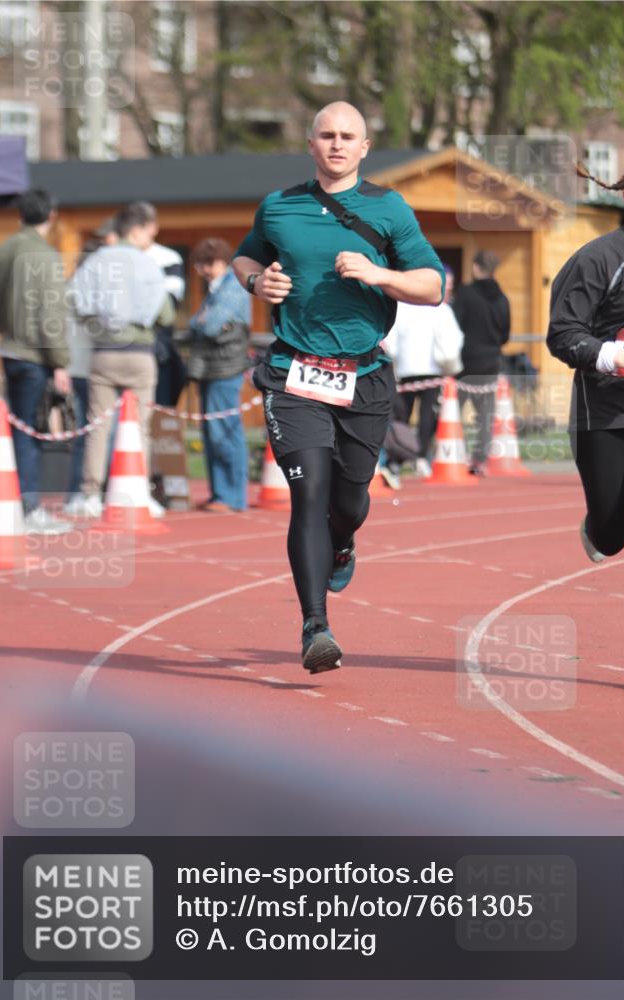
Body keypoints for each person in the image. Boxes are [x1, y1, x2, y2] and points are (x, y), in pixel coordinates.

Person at [232, 101, 444, 673]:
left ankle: (344, 542)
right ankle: (315, 627)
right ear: (311, 142)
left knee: (347, 502)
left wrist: (379, 274)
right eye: (327, 134)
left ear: (365, 147)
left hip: (364, 377)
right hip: (293, 374)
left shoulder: (388, 209)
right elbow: (245, 255)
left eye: (348, 136)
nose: (336, 144)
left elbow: (432, 286)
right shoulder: (280, 206)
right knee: (308, 493)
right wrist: (258, 280)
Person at [548, 148, 624, 692]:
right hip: (607, 411)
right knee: (614, 532)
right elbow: (562, 333)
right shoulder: (599, 258)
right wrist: (615, 356)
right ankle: (599, 526)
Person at [71, 203, 174, 517]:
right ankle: (139, 492)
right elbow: (166, 313)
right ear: (135, 230)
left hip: (104, 352)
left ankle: (90, 494)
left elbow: (76, 303)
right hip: (140, 354)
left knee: (98, 425)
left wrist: (99, 327)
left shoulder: (95, 262)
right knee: (139, 427)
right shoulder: (149, 264)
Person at [0, 188, 72, 534]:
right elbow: (50, 314)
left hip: (10, 347)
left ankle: (13, 502)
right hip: (35, 354)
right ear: (51, 216)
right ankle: (27, 507)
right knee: (30, 431)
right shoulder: (46, 256)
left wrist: (7, 329)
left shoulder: (3, 250)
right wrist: (61, 362)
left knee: (15, 428)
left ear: (19, 214)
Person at [188, 237, 251, 513]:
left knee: (224, 431)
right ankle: (220, 494)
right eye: (199, 264)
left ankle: (232, 496)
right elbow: (195, 322)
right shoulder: (216, 289)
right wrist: (201, 321)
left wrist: (203, 321)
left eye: (207, 263)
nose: (202, 269)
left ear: (222, 262)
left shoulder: (231, 286)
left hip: (226, 368)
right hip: (214, 367)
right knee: (212, 432)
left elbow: (209, 325)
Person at [384, 266, 463, 476]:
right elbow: (453, 339)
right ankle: (420, 457)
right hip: (432, 370)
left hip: (404, 369)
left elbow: (390, 340)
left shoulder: (401, 306)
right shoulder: (440, 308)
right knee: (428, 416)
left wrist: (394, 359)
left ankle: (397, 459)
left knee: (402, 416)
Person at [63, 217, 118, 513]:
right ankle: (87, 492)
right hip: (91, 366)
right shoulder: (88, 289)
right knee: (98, 433)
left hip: (77, 366)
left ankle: (78, 492)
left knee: (87, 433)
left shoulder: (73, 285)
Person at [453, 249, 510, 475]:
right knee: (485, 416)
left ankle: (452, 455)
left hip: (464, 362)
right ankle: (480, 460)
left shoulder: (466, 294)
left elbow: (454, 326)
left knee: (452, 411)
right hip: (491, 361)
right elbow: (505, 334)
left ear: (476, 268)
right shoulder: (502, 298)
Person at [130, 201, 187, 408]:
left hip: (158, 348)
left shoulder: (167, 258)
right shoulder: (117, 257)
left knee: (158, 410)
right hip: (126, 348)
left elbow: (170, 306)